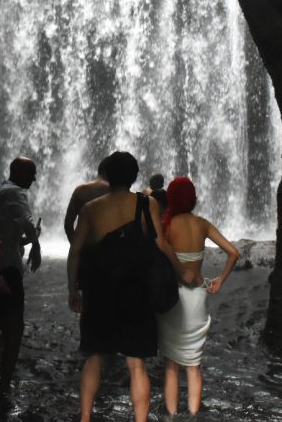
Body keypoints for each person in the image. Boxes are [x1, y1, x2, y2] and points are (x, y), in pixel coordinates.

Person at [67, 151, 185, 422]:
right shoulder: (147, 204)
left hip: (99, 291)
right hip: (136, 291)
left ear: (107, 175)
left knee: (95, 356)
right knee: (136, 362)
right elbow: (161, 244)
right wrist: (180, 271)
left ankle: (85, 417)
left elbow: (75, 252)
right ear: (134, 176)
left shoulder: (90, 209)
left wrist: (72, 288)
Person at [156, 176, 240, 417]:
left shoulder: (167, 226)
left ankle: (171, 414)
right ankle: (194, 415)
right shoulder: (202, 224)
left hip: (173, 297)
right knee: (193, 364)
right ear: (193, 199)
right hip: (198, 298)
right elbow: (234, 253)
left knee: (171, 364)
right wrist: (219, 281)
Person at [0, 157, 42, 395]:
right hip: (9, 271)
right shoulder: (16, 194)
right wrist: (36, 245)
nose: (35, 178)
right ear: (21, 172)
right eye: (32, 173)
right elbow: (25, 221)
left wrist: (25, 240)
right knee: (14, 328)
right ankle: (4, 385)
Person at [64, 156, 112, 242]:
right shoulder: (114, 191)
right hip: (109, 247)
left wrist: (75, 246)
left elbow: (68, 224)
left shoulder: (80, 190)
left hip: (85, 246)